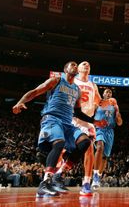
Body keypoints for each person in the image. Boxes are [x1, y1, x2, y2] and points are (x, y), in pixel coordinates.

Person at [12, 61, 92, 198]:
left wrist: (95, 121)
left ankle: (59, 175)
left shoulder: (77, 90)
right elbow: (36, 91)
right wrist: (21, 102)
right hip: (52, 118)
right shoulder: (56, 80)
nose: (74, 66)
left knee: (85, 142)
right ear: (65, 69)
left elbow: (78, 112)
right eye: (72, 64)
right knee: (59, 143)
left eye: (75, 65)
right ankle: (45, 183)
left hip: (68, 124)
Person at [54, 61, 101, 196]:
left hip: (87, 122)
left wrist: (108, 102)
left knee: (89, 149)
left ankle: (86, 183)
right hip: (72, 118)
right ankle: (55, 176)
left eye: (88, 64)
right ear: (78, 69)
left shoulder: (93, 85)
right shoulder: (72, 82)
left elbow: (99, 101)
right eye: (83, 64)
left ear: (89, 70)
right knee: (62, 149)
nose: (86, 64)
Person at [92, 88, 123, 190]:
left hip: (109, 131)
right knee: (99, 147)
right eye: (107, 92)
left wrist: (117, 110)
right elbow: (91, 117)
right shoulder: (98, 103)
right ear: (103, 94)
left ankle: (99, 177)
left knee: (105, 157)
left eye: (110, 92)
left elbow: (119, 123)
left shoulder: (114, 107)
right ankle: (95, 175)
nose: (108, 93)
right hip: (99, 129)